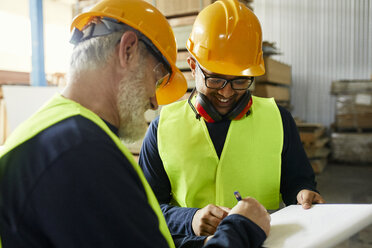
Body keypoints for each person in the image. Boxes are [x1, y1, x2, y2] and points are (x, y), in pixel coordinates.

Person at [0, 0, 271, 247]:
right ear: (127, 50)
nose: (154, 103)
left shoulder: (55, 133)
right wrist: (242, 229)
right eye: (156, 81)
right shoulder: (80, 153)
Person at [139, 0, 325, 244]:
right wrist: (190, 219)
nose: (226, 93)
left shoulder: (279, 120)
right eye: (215, 80)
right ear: (193, 66)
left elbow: (299, 182)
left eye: (239, 81)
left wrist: (303, 194)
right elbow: (146, 209)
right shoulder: (162, 127)